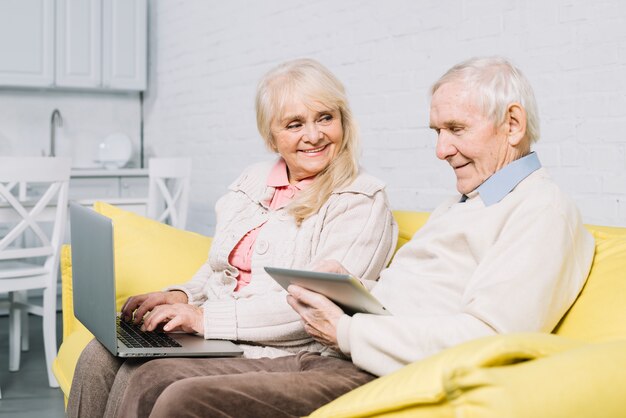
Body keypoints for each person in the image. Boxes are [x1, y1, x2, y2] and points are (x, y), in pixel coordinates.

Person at [111, 56, 596, 418]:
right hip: (343, 352)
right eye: (437, 130)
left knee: (182, 397)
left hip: (373, 370)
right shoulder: (469, 201)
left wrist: (345, 328)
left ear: (512, 124)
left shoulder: (541, 210)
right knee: (146, 369)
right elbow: (417, 294)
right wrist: (346, 296)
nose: (441, 149)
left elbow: (490, 338)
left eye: (455, 129)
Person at [66, 58, 398, 417]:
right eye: (294, 124)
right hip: (216, 332)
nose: (314, 135)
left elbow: (314, 311)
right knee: (99, 353)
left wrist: (203, 318)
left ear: (343, 121)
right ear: (271, 136)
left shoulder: (360, 201)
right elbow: (220, 266)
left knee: (144, 374)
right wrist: (180, 294)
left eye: (325, 118)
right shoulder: (253, 182)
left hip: (281, 349)